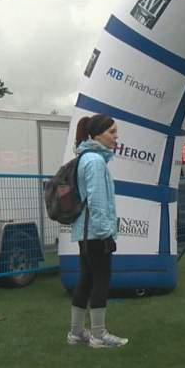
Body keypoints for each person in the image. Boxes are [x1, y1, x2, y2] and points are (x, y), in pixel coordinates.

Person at [67, 114, 127, 349]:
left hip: (85, 232)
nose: (116, 136)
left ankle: (76, 332)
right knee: (101, 279)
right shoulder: (95, 161)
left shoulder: (85, 157)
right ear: (96, 135)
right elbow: (97, 200)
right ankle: (98, 335)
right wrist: (105, 234)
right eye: (112, 132)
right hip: (95, 233)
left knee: (86, 278)